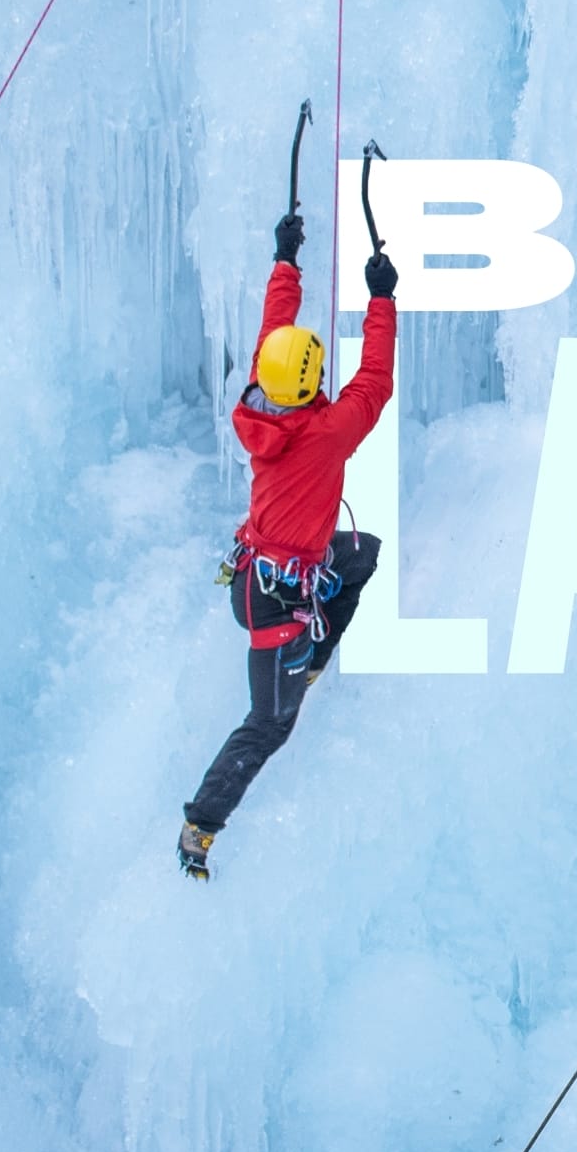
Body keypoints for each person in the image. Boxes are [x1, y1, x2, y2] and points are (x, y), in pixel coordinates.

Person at [178, 209, 400, 878]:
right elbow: (374, 383)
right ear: (309, 384)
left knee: (358, 553)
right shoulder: (326, 434)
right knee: (271, 723)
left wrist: (286, 260)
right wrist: (382, 299)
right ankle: (201, 824)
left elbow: (274, 330)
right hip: (274, 606)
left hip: (264, 567)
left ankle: (317, 655)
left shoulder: (256, 405)